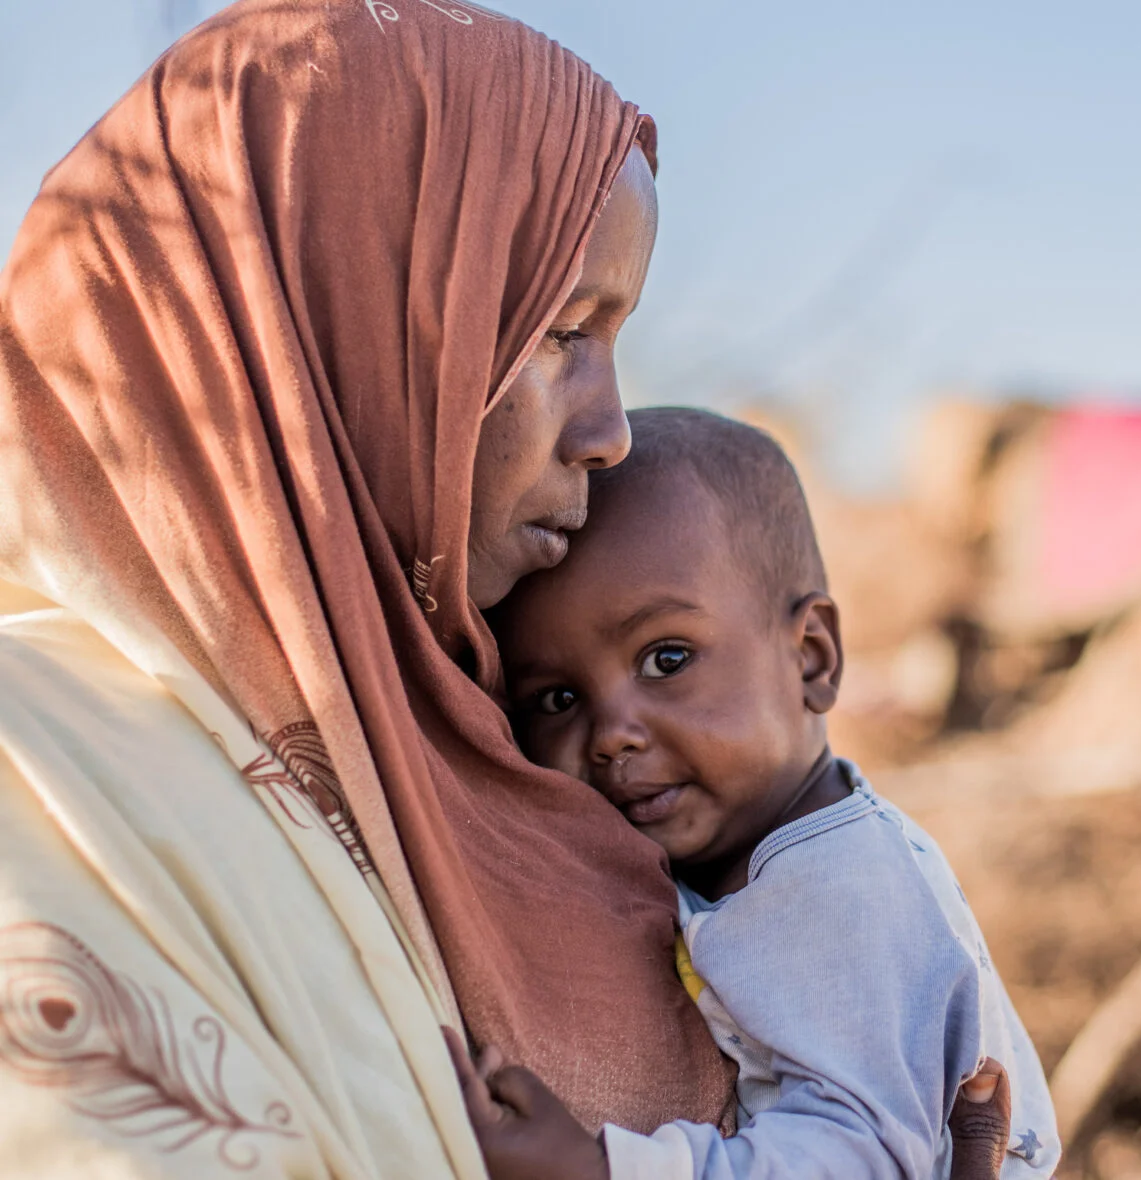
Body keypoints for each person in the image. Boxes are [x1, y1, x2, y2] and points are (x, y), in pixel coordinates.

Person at [0, 3, 734, 1174]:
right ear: (336, 323)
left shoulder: (533, 760)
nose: (609, 432)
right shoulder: (36, 771)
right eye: (559, 331)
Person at [461, 407, 1061, 1179]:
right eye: (556, 699)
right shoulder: (752, 862)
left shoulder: (840, 889)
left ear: (810, 657)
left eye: (667, 658)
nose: (611, 732)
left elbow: (867, 1157)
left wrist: (602, 1169)